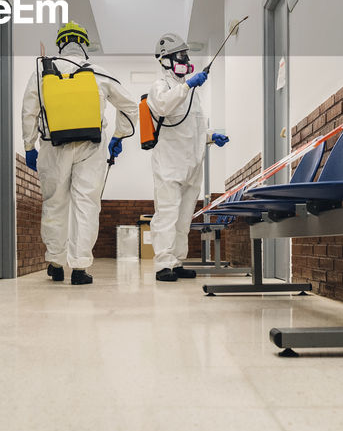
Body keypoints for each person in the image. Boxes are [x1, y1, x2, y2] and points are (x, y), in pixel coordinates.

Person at [21, 21, 138, 285]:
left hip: (53, 146)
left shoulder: (43, 71)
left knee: (55, 203)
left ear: (60, 43)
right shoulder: (97, 72)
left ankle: (55, 263)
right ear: (84, 44)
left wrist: (30, 147)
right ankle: (79, 269)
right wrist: (119, 136)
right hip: (91, 146)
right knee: (86, 205)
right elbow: (130, 106)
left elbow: (29, 111)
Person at [146, 33, 229, 282]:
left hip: (193, 165)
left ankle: (177, 261)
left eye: (185, 56)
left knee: (183, 218)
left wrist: (212, 136)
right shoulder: (161, 86)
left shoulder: (192, 94)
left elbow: (191, 130)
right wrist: (187, 85)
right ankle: (163, 265)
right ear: (165, 60)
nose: (184, 60)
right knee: (167, 215)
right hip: (169, 165)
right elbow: (161, 106)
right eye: (179, 56)